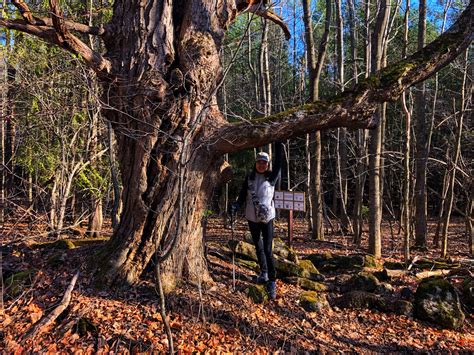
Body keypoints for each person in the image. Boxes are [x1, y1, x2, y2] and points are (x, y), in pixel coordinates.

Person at [230, 142, 282, 299]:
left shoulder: (272, 177)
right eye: (259, 162)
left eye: (264, 163)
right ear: (256, 163)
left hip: (267, 219)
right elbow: (241, 196)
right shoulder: (249, 178)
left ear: (267, 164)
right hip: (251, 217)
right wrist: (235, 206)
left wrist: (279, 142)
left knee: (267, 249)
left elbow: (280, 162)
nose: (261, 165)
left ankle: (272, 281)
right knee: (258, 247)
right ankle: (264, 272)